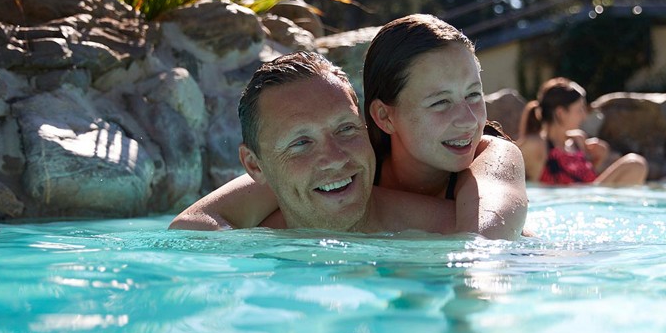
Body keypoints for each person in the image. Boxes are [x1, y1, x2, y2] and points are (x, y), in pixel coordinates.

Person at [170, 14, 527, 239]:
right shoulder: (349, 152)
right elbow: (198, 222)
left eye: (474, 95)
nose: (469, 120)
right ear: (383, 117)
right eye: (439, 102)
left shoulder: (491, 158)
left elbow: (484, 248)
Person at [173, 51, 455, 232]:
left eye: (346, 129)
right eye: (301, 143)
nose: (335, 158)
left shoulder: (449, 231)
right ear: (255, 166)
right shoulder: (242, 255)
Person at [517, 77, 648, 187]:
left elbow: (583, 182)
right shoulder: (538, 146)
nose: (584, 116)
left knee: (636, 166)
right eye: (579, 110)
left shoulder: (576, 142)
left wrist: (599, 159)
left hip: (587, 201)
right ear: (560, 113)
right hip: (567, 205)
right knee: (635, 164)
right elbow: (507, 160)